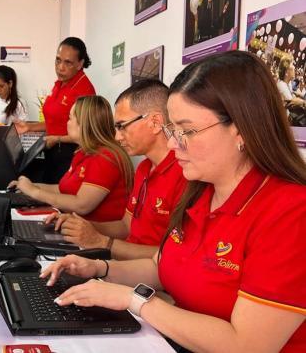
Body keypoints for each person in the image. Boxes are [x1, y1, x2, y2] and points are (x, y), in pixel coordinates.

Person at [42, 51, 306, 352]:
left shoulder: (290, 211)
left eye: (187, 131)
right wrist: (99, 269)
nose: (172, 143)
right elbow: (162, 267)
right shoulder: (202, 189)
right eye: (172, 130)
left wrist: (135, 300)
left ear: (242, 130)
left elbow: (247, 345)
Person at [46, 80, 186, 260]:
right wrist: (81, 226)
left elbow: (176, 257)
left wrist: (102, 242)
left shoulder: (184, 173)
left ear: (155, 122)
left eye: (122, 126)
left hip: (149, 277)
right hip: (125, 264)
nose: (117, 136)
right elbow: (126, 226)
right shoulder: (144, 168)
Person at [10, 95, 133, 223]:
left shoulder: (106, 157)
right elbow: (63, 188)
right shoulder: (83, 152)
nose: (67, 123)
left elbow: (82, 205)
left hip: (95, 236)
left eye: (69, 118)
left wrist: (34, 192)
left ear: (83, 124)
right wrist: (29, 186)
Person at [16, 37, 96, 183]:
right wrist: (30, 127)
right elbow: (56, 122)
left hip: (70, 155)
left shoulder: (84, 90)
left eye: (68, 62)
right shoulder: (60, 83)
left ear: (80, 64)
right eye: (58, 60)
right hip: (52, 151)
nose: (60, 67)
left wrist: (57, 139)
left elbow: (86, 133)